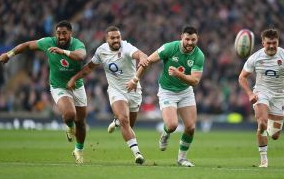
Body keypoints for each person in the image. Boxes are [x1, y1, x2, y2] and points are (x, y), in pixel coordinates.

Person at [0, 20, 88, 164]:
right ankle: (69, 127)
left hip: (77, 86)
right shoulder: (47, 42)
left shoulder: (77, 44)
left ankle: (78, 150)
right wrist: (9, 54)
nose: (61, 36)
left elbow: (81, 56)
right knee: (70, 114)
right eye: (58, 33)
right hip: (58, 86)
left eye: (64, 33)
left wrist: (62, 51)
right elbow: (26, 45)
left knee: (81, 122)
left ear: (70, 33)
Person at [67, 26, 148, 165]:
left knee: (129, 125)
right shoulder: (101, 51)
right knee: (124, 120)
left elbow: (140, 54)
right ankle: (137, 154)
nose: (116, 40)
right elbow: (89, 67)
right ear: (107, 39)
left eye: (118, 37)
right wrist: (74, 78)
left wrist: (142, 58)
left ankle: (116, 121)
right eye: (113, 38)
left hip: (134, 91)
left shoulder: (126, 47)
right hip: (116, 91)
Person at [127, 26, 205, 167]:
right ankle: (165, 133)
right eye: (187, 39)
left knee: (191, 127)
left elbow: (195, 81)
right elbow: (148, 61)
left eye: (193, 40)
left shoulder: (199, 55)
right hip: (167, 91)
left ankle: (182, 159)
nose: (190, 43)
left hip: (185, 91)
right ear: (182, 37)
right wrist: (135, 79)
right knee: (172, 125)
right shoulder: (169, 48)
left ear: (197, 39)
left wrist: (178, 74)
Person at [238, 28, 284, 168]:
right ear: (263, 42)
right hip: (261, 92)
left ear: (278, 42)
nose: (271, 46)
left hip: (278, 96)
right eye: (268, 43)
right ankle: (264, 160)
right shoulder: (255, 57)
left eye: (274, 43)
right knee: (262, 122)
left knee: (275, 135)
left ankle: (267, 125)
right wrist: (250, 94)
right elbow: (242, 77)